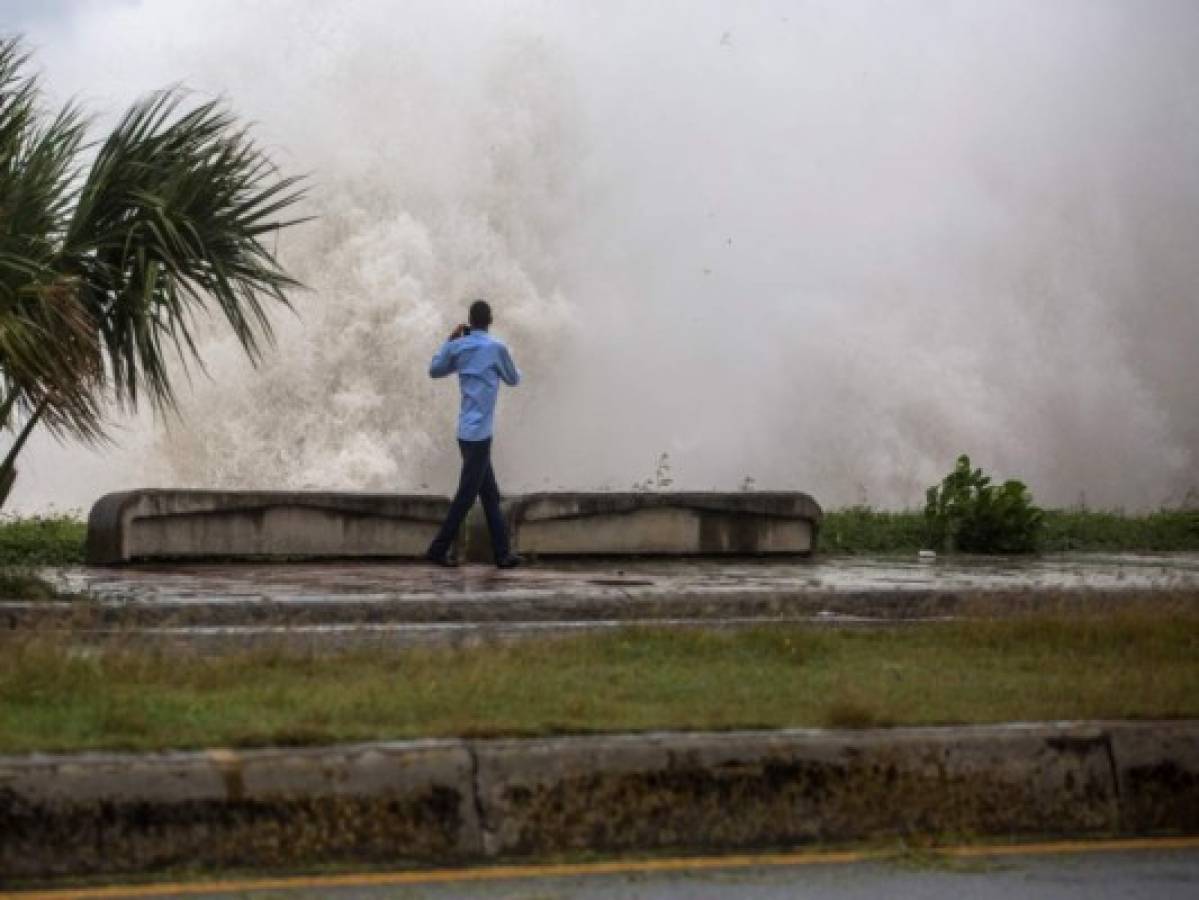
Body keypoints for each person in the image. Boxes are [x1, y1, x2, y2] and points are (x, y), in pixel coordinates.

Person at [425, 299, 523, 567]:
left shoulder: (460, 346)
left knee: (489, 495)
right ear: (490, 320)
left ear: (470, 321)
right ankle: (437, 549)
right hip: (481, 435)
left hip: (465, 432)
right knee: (466, 497)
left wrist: (450, 339)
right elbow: (514, 379)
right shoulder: (496, 348)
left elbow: (434, 370)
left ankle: (502, 554)